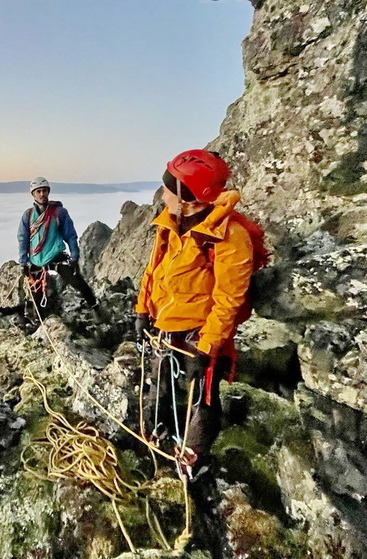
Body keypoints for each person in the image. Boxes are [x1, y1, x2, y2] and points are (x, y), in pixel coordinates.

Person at [134, 150, 253, 479]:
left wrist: (208, 346)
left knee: (203, 393)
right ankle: (158, 427)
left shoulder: (230, 236)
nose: (164, 194)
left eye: (170, 189)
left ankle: (194, 455)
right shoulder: (170, 223)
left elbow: (229, 297)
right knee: (161, 378)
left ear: (189, 198)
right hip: (165, 322)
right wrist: (143, 309)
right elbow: (153, 269)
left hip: (201, 331)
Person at [17, 177, 97, 323]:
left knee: (78, 283)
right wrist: (23, 262)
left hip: (56, 256)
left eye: (45, 191)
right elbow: (23, 239)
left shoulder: (59, 212)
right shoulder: (28, 216)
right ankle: (39, 322)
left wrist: (74, 256)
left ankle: (96, 307)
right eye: (39, 191)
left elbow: (70, 235)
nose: (42, 194)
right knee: (37, 294)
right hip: (36, 260)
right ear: (33, 194)